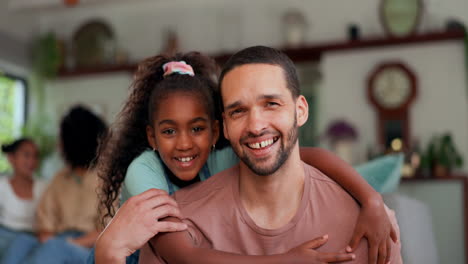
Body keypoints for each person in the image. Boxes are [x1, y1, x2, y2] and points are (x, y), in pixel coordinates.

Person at [94, 52, 396, 264]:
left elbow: (304, 155)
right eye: (169, 131)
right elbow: (182, 255)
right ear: (152, 137)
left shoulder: (224, 159)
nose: (184, 144)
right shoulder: (143, 171)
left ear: (216, 132)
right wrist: (286, 260)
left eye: (197, 129)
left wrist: (371, 200)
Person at [15, 105, 107, 264]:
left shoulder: (107, 179)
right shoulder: (59, 178)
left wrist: (65, 244)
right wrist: (51, 240)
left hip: (90, 248)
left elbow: (106, 231)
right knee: (22, 241)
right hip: (57, 241)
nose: (59, 144)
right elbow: (45, 224)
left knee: (54, 249)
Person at [0, 138, 47, 263]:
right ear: (11, 158)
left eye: (35, 156)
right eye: (26, 155)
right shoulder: (2, 186)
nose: (31, 161)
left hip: (31, 238)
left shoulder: (43, 187)